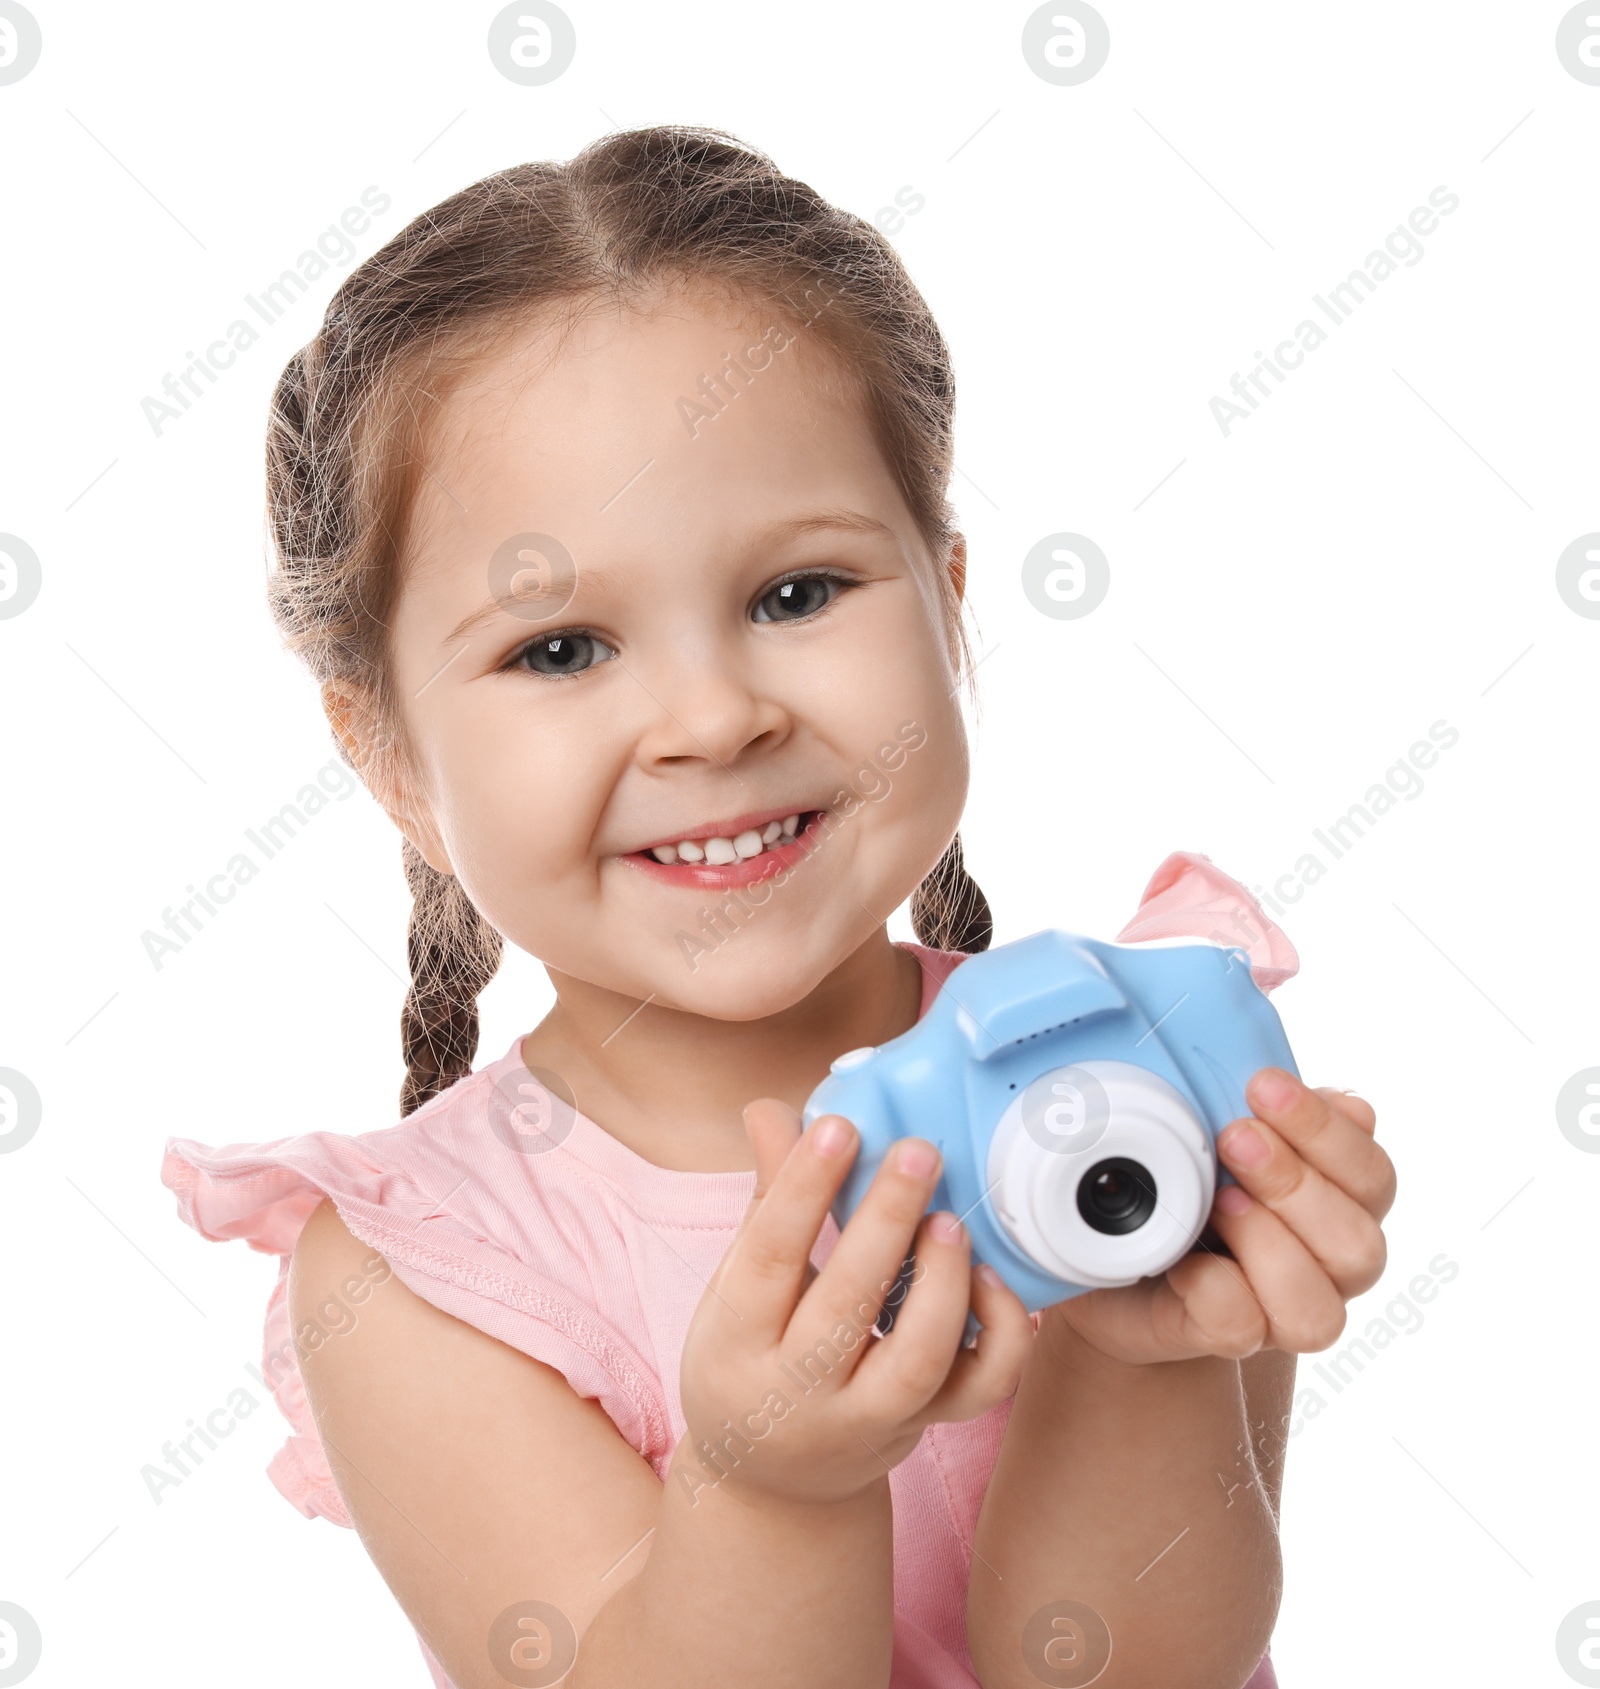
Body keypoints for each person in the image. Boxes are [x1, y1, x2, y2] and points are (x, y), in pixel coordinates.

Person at [161, 124, 1395, 1689]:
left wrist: (1134, 1341)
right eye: (559, 649)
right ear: (388, 753)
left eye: (796, 594)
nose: (710, 718)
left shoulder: (1140, 1075)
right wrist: (770, 1481)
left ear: (950, 604)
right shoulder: (418, 1275)